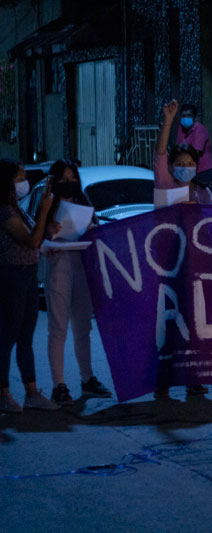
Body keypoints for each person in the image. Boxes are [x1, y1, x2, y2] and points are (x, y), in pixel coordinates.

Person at [154, 99, 210, 399]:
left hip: (196, 266)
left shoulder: (203, 192)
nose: (186, 168)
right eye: (181, 164)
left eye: (191, 164)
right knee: (168, 325)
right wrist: (169, 122)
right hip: (167, 266)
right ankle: (162, 380)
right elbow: (160, 154)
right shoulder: (165, 184)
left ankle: (194, 376)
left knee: (195, 323)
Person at [43, 160, 112, 405]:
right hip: (59, 264)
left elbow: (96, 230)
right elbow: (36, 239)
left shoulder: (84, 202)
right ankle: (59, 384)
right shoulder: (47, 204)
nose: (69, 183)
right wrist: (47, 231)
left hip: (81, 265)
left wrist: (91, 227)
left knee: (83, 327)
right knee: (58, 327)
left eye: (73, 178)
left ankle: (87, 378)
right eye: (64, 178)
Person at [0, 159, 59, 412]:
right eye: (20, 177)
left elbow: (36, 237)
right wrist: (44, 212)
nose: (24, 182)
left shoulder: (17, 208)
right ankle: (4, 393)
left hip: (28, 275)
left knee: (25, 336)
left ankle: (32, 393)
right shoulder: (4, 211)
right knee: (7, 337)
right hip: (11, 275)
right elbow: (30, 242)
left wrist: (47, 227)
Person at [176, 103, 212, 194]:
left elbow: (195, 154)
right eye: (183, 116)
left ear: (195, 118)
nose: (186, 118)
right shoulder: (181, 130)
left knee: (207, 203)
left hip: (205, 173)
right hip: (190, 173)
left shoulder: (199, 130)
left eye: (189, 115)